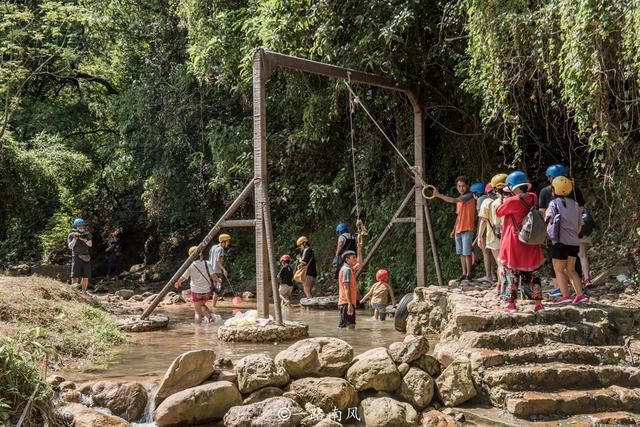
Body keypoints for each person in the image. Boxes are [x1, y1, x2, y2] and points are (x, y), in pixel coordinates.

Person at [496, 171, 545, 313]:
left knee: (512, 273)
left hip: (515, 241)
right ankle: (538, 304)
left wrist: (502, 196)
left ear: (514, 187)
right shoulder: (533, 197)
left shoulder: (512, 201)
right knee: (533, 273)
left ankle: (511, 302)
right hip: (531, 239)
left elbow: (499, 212)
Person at [538, 164, 592, 293]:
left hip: (557, 236)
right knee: (573, 266)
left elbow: (543, 213)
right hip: (573, 235)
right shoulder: (574, 190)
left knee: (558, 267)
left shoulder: (546, 192)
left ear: (551, 178)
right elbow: (581, 211)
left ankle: (561, 291)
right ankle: (579, 292)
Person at [545, 176, 588, 304]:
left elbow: (548, 217)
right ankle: (580, 295)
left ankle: (565, 296)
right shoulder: (575, 204)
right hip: (574, 242)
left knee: (559, 269)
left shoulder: (553, 203)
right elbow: (580, 226)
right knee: (571, 269)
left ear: (554, 190)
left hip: (560, 241)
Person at [433, 176, 475, 282]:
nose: (461, 188)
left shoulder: (469, 196)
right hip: (458, 230)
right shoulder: (460, 199)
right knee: (461, 253)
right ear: (457, 187)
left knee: (467, 253)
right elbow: (458, 216)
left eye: (463, 186)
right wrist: (453, 229)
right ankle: (464, 273)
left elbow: (453, 200)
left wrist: (438, 195)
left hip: (467, 228)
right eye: (459, 186)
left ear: (467, 186)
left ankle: (469, 275)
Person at [478, 175, 508, 285]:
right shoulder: (510, 199)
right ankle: (501, 286)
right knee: (508, 263)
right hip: (508, 235)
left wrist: (479, 236)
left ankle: (504, 288)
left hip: (494, 236)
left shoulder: (487, 202)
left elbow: (483, 220)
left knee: (500, 264)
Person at [175, 246, 215, 323]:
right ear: (200, 254)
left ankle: (198, 331)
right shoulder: (207, 263)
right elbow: (213, 276)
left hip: (196, 292)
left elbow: (184, 277)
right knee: (202, 305)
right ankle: (210, 318)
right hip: (207, 291)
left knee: (197, 312)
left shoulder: (190, 266)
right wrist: (218, 280)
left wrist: (178, 281)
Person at [471, 181, 495, 282]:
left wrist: (478, 234)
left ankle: (488, 275)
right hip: (493, 228)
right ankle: (493, 274)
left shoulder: (481, 200)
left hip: (485, 229)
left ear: (476, 193)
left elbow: (481, 218)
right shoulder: (493, 197)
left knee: (485, 252)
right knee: (492, 251)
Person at [338, 245, 363, 329]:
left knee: (351, 326)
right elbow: (346, 288)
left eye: (355, 257)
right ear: (347, 259)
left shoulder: (350, 268)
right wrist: (349, 304)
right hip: (346, 303)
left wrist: (359, 250)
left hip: (349, 302)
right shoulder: (346, 270)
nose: (355, 259)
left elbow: (360, 264)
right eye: (353, 257)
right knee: (345, 327)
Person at [67, 218, 93, 293]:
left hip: (86, 256)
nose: (81, 228)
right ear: (75, 227)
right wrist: (75, 239)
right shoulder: (71, 235)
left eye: (82, 227)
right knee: (75, 275)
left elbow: (90, 244)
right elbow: (70, 247)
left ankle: (84, 292)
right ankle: (74, 292)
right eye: (79, 227)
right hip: (76, 256)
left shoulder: (87, 234)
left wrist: (83, 239)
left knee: (86, 276)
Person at [208, 233, 231, 307]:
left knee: (213, 288)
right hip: (217, 272)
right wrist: (224, 270)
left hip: (210, 270)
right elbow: (218, 261)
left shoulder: (213, 247)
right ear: (223, 241)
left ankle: (212, 305)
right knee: (217, 290)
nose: (228, 243)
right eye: (228, 241)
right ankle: (214, 307)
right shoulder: (221, 249)